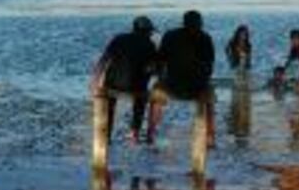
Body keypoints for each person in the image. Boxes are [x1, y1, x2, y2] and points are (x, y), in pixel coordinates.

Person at [150, 10, 216, 145]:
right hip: (197, 87)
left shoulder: (170, 35)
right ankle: (209, 137)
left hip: (173, 85)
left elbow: (160, 60)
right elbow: (210, 65)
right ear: (200, 23)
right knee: (209, 99)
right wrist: (204, 79)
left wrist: (162, 77)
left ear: (184, 22)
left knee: (155, 93)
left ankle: (151, 133)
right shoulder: (205, 37)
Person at [90, 16, 158, 144]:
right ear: (146, 31)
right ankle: (135, 133)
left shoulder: (119, 38)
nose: (150, 34)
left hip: (112, 85)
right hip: (135, 87)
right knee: (141, 101)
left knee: (110, 104)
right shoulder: (149, 45)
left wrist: (95, 80)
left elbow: (103, 60)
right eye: (150, 31)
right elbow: (153, 68)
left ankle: (107, 135)